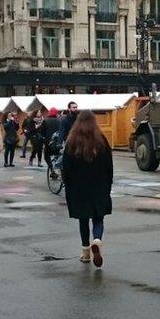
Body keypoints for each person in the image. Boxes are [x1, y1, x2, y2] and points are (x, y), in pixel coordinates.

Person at [62, 110, 114, 268]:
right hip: (99, 185)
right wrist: (108, 184)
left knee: (83, 219)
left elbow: (66, 167)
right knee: (98, 218)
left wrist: (68, 185)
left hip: (79, 188)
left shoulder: (72, 141)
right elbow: (108, 165)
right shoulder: (101, 140)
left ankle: (85, 252)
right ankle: (97, 240)